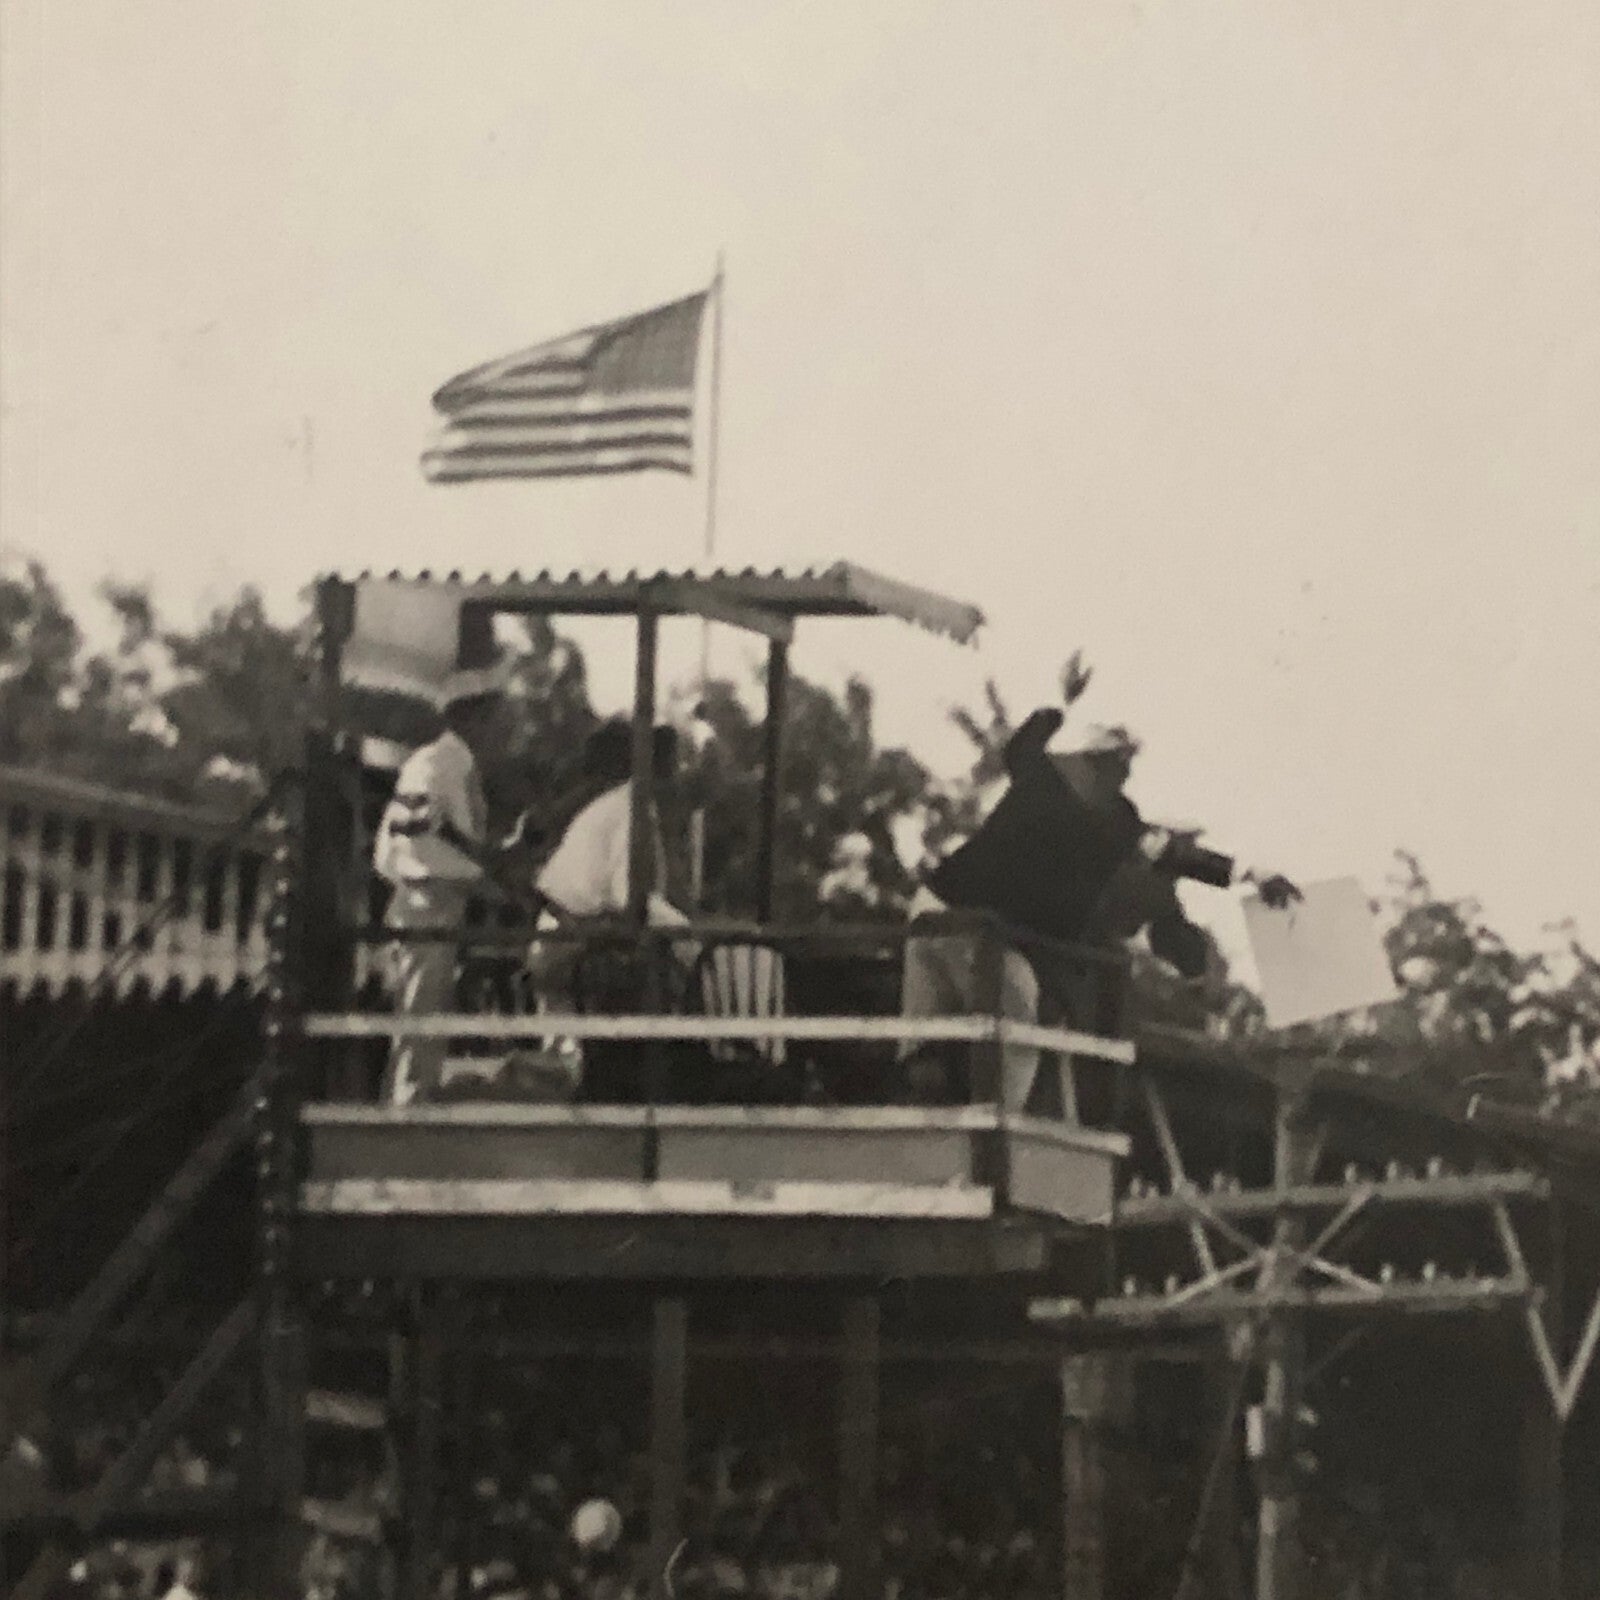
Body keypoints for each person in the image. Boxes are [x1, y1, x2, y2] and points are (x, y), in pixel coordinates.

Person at [372, 662, 510, 1104]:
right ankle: (407, 1104)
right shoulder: (440, 763)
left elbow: (457, 840)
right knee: (419, 1009)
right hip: (425, 898)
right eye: (493, 717)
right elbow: (423, 844)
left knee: (423, 1009)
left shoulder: (445, 762)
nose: (499, 729)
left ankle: (410, 1097)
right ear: (472, 717)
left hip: (436, 900)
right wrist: (485, 878)